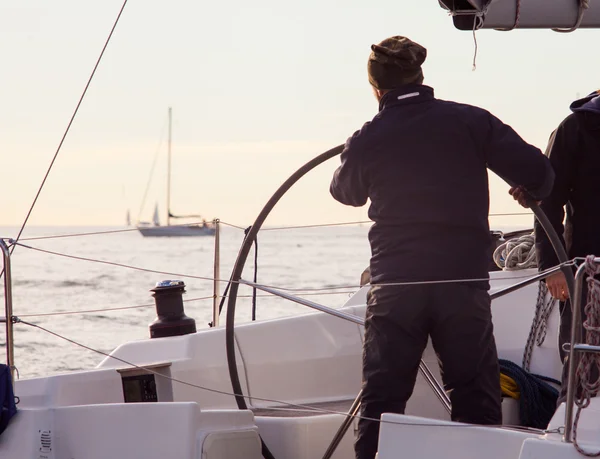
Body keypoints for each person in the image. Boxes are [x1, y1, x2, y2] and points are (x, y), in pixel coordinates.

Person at [329, 36, 555, 459]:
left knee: (382, 399)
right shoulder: (470, 122)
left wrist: (356, 149)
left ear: (376, 89)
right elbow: (539, 172)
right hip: (461, 283)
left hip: (396, 287)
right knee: (475, 394)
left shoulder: (368, 137)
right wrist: (530, 189)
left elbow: (346, 193)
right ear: (420, 75)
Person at [531, 90, 600, 394]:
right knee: (582, 372)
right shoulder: (574, 128)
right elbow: (547, 201)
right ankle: (573, 434)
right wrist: (553, 266)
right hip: (587, 274)